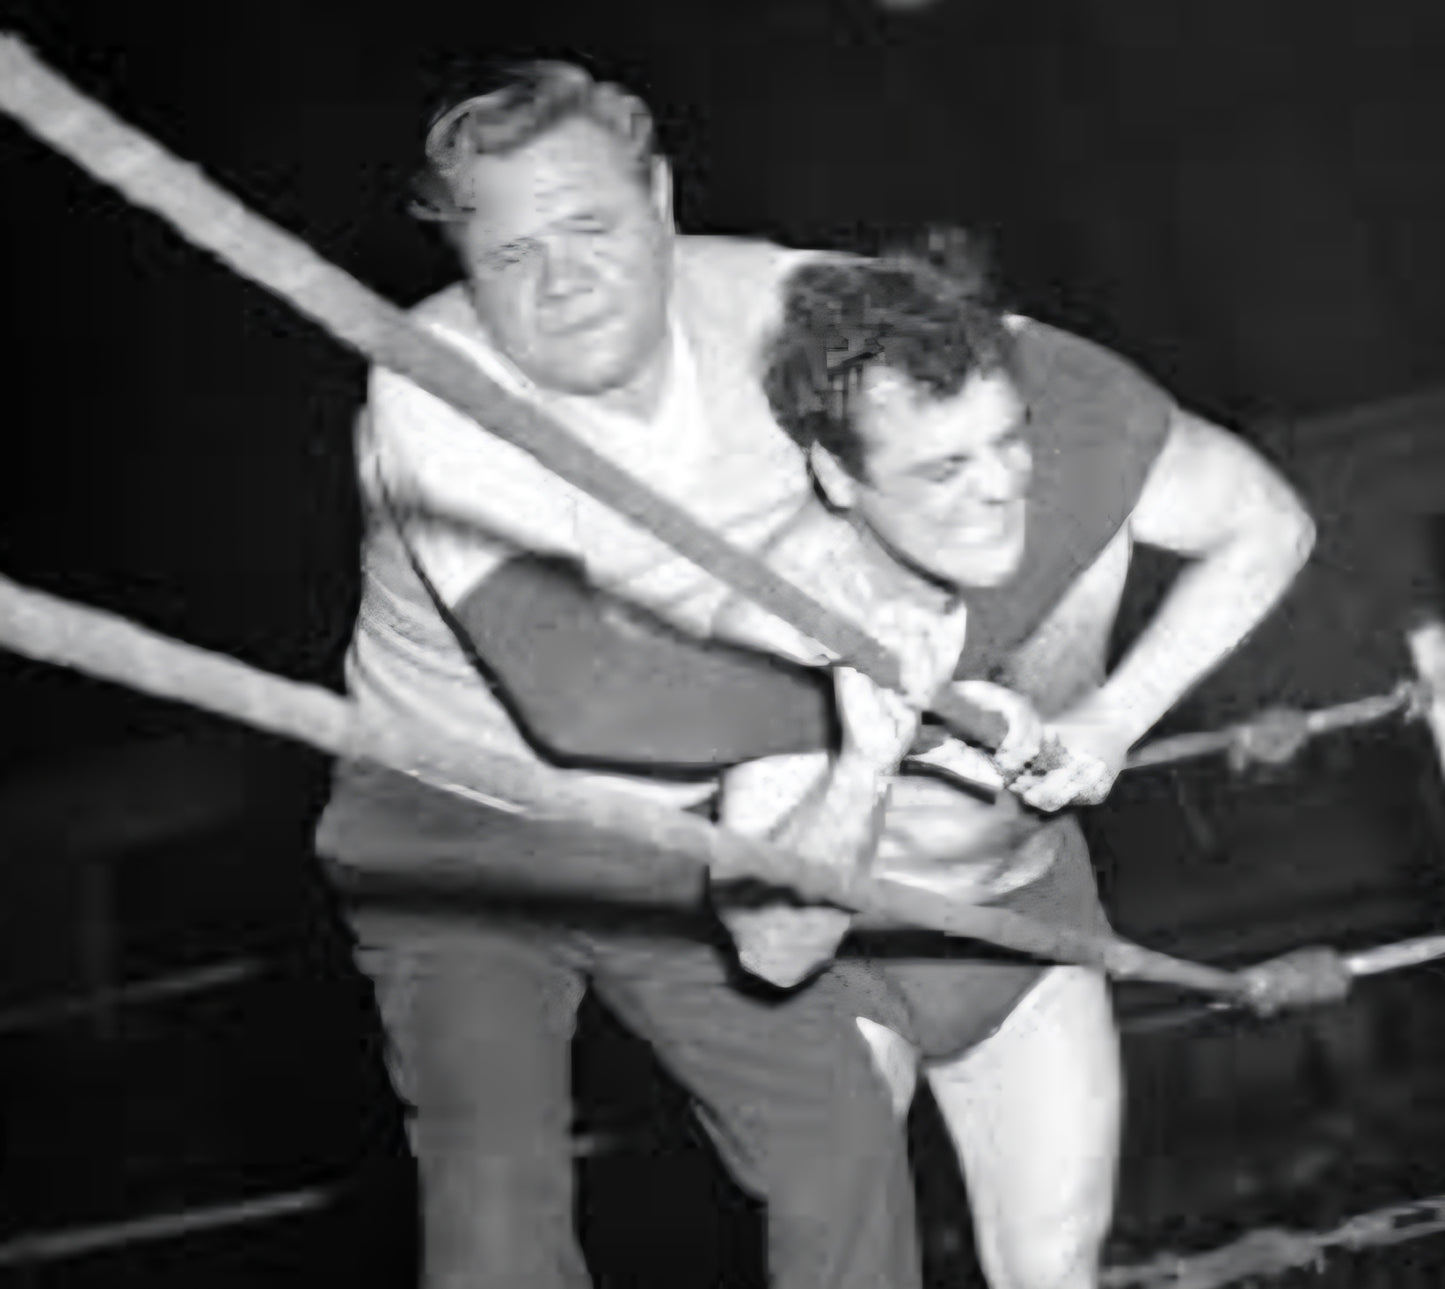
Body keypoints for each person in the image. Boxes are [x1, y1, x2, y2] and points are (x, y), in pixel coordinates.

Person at [314, 60, 924, 1289]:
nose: (560, 279)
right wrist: (878, 711)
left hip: (663, 830)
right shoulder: (426, 381)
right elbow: (584, 696)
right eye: (509, 256)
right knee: (496, 1199)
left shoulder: (791, 303)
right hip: (449, 833)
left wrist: (1031, 652)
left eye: (589, 224)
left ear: (660, 196)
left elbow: (1054, 408)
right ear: (465, 275)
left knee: (837, 1138)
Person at [706, 247, 1317, 1289]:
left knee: (1054, 1274)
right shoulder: (774, 600)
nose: (996, 486)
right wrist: (864, 761)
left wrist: (1114, 715)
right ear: (836, 475)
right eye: (941, 469)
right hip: (845, 952)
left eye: (1004, 438)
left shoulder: (1087, 436)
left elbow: (1270, 524)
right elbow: (771, 946)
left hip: (1022, 914)